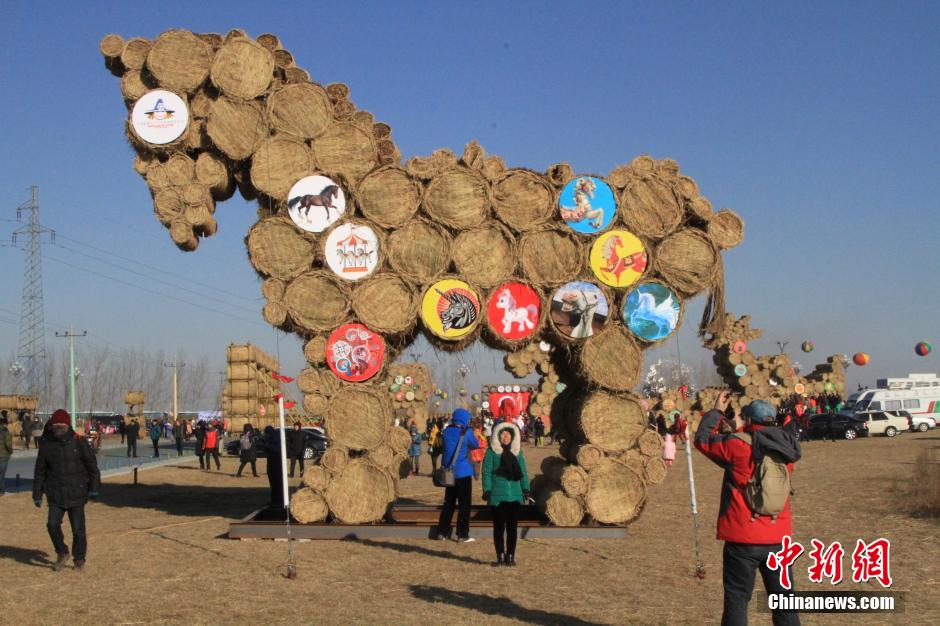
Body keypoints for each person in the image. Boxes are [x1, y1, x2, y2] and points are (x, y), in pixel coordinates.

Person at [695, 391, 801, 626]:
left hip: (742, 538)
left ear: (750, 421)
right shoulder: (788, 450)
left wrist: (717, 412)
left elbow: (703, 440)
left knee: (737, 601)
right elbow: (788, 429)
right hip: (778, 537)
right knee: (785, 603)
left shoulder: (737, 445)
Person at [33, 409, 100, 572]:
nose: (58, 428)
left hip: (77, 492)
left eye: (61, 425)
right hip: (55, 493)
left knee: (78, 529)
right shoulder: (46, 444)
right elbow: (40, 471)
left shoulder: (79, 442)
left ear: (67, 425)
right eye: (56, 425)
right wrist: (37, 494)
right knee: (52, 525)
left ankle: (79, 559)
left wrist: (94, 488)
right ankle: (62, 552)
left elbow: (92, 466)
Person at [482, 421, 530, 566]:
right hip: (497, 496)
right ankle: (500, 556)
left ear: (513, 436)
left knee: (512, 529)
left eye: (508, 434)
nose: (505, 437)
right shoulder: (492, 452)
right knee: (498, 528)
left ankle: (510, 556)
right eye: (502, 434)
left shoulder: (517, 452)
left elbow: (523, 472)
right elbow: (486, 472)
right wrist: (487, 490)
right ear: (497, 436)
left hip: (515, 496)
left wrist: (525, 488)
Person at [434, 408, 479, 542]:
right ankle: (462, 534)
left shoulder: (446, 431)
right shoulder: (467, 432)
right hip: (463, 473)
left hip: (449, 473)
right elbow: (475, 445)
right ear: (465, 419)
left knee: (449, 503)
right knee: (465, 505)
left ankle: (442, 532)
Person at [0, 414, 12, 495]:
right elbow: (8, 444)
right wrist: (10, 451)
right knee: (1, 474)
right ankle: (1, 491)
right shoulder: (5, 432)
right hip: (3, 456)